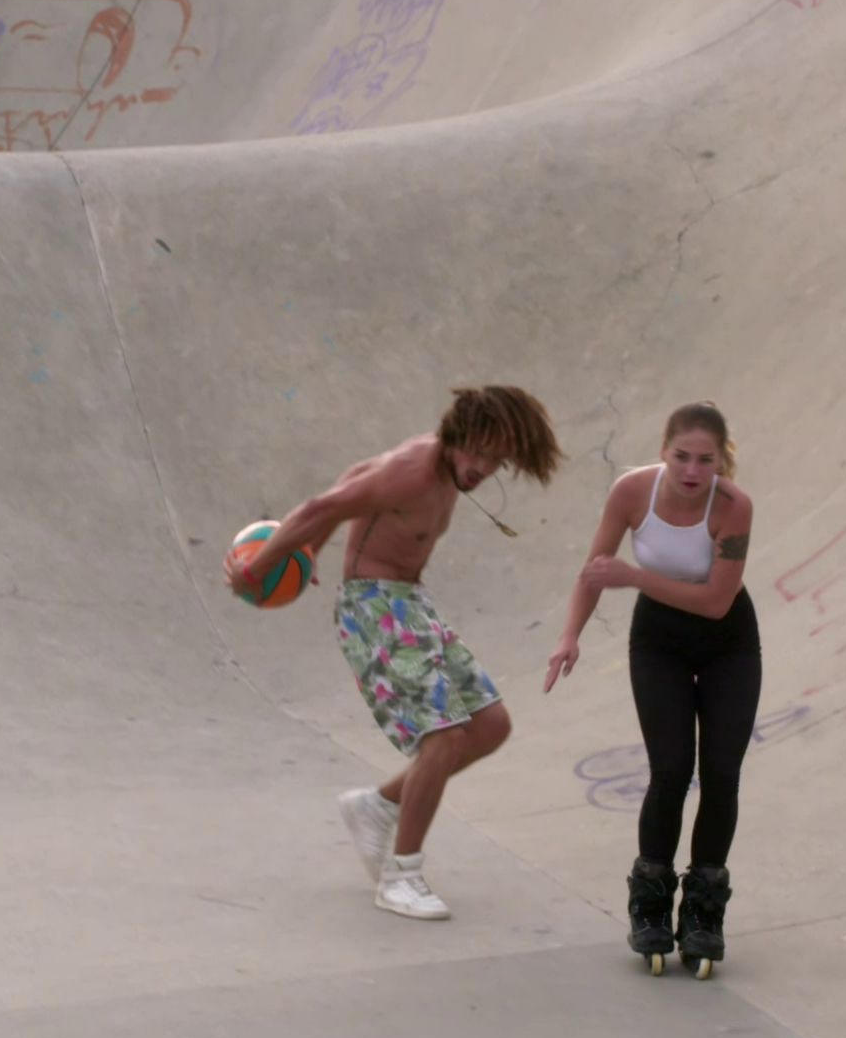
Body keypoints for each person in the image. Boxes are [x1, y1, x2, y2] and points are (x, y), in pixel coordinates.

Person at [227, 386, 563, 919]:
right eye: (478, 453)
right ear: (457, 434)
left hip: (410, 603)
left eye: (497, 460)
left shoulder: (436, 465)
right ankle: (401, 877)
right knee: (443, 735)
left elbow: (355, 475)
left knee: (490, 724)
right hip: (374, 607)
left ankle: (379, 805)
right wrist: (260, 566)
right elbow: (323, 505)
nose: (482, 469)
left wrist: (313, 550)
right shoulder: (412, 471)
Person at [544, 401, 760, 974]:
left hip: (728, 642)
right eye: (681, 456)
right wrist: (569, 635)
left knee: (722, 773)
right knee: (671, 770)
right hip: (659, 642)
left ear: (721, 461)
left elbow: (715, 602)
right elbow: (596, 569)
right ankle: (650, 904)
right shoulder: (632, 492)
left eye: (705, 460)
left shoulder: (734, 506)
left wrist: (636, 577)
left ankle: (704, 913)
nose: (691, 470)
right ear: (663, 451)